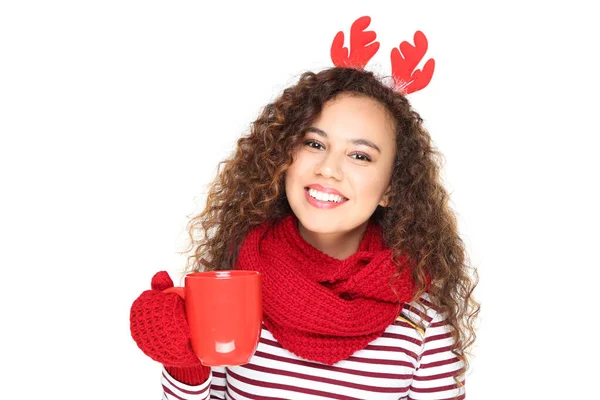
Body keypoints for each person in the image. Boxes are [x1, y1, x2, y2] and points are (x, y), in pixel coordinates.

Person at [130, 66, 479, 399]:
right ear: (284, 157)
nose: (328, 168)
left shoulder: (421, 324)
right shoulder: (232, 288)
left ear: (391, 187)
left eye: (360, 155)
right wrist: (184, 361)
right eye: (314, 144)